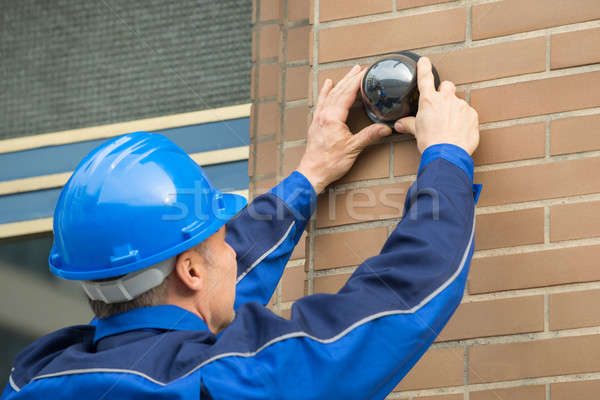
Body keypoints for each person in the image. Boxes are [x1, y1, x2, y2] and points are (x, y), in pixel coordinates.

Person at [2, 57, 480, 399]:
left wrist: (308, 177)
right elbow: (400, 299)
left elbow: (210, 282)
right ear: (189, 272)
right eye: (221, 237)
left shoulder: (35, 378)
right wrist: (446, 158)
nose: (234, 249)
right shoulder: (225, 382)